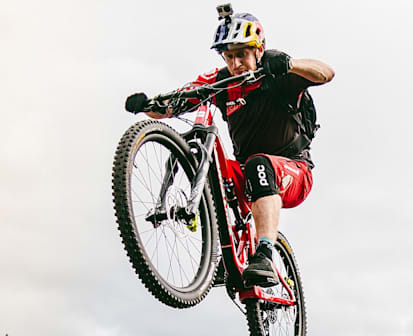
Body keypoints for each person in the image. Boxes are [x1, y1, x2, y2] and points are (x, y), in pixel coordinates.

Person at [141, 7, 334, 287]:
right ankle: (229, 251)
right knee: (213, 170)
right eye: (229, 56)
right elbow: (179, 100)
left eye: (242, 54)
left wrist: (290, 64)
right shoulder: (222, 81)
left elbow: (326, 73)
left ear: (259, 50)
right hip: (248, 170)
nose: (236, 64)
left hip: (294, 170)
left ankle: (265, 253)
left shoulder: (276, 72)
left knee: (258, 164)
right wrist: (147, 107)